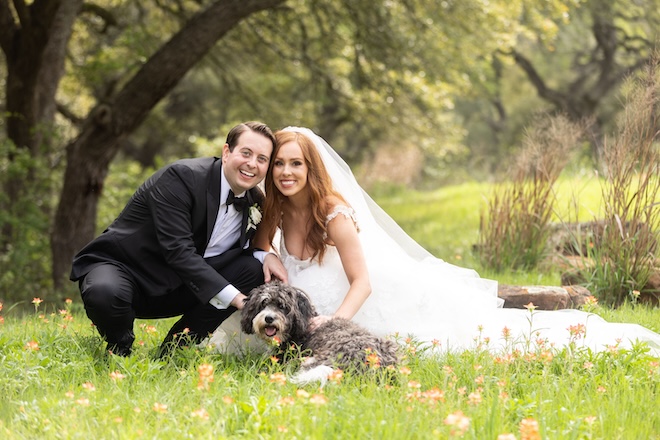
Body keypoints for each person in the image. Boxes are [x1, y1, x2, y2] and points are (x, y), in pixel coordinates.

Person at [209, 126, 660, 357]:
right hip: (305, 302)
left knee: (450, 337)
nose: (286, 173)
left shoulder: (334, 213)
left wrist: (333, 322)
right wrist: (267, 254)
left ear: (310, 168)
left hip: (362, 297)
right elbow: (262, 244)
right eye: (279, 165)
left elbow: (362, 282)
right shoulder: (275, 206)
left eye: (296, 165)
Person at [70, 121, 287, 357]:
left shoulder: (255, 201)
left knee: (252, 269)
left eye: (262, 159)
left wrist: (265, 255)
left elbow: (243, 250)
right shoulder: (182, 178)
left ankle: (173, 351)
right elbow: (177, 250)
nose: (252, 164)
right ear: (226, 152)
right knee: (104, 292)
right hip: (130, 273)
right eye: (246, 153)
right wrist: (237, 299)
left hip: (182, 285)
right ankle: (120, 351)